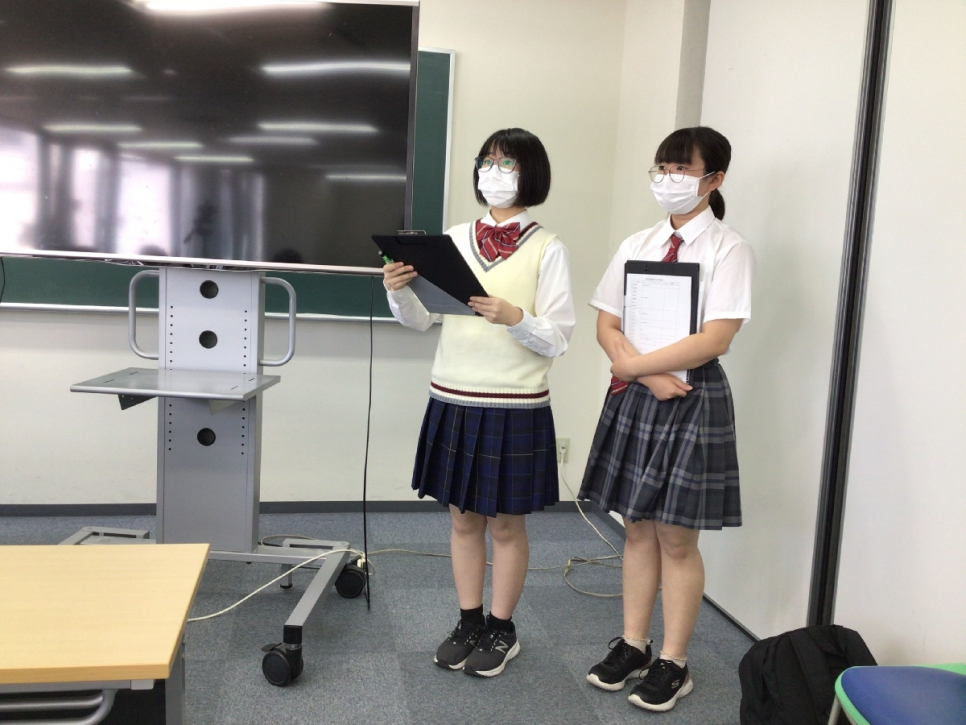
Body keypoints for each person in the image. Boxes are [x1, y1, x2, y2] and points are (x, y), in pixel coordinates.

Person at [383, 128, 575, 678]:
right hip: (453, 395)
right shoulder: (453, 238)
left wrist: (516, 318)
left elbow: (559, 337)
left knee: (506, 527)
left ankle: (502, 627)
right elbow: (422, 320)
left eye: (506, 163)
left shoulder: (547, 246)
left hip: (514, 404)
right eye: (486, 161)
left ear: (530, 173)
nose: (493, 172)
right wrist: (398, 291)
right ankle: (469, 620)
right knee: (463, 521)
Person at [579, 126, 754, 712]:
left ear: (714, 179)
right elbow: (607, 322)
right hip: (641, 392)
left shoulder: (729, 249)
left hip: (692, 394)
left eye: (682, 169)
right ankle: (634, 644)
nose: (668, 178)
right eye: (662, 168)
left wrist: (636, 366)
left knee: (677, 537)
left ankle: (674, 662)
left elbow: (716, 339)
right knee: (635, 525)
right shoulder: (639, 242)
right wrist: (643, 373)